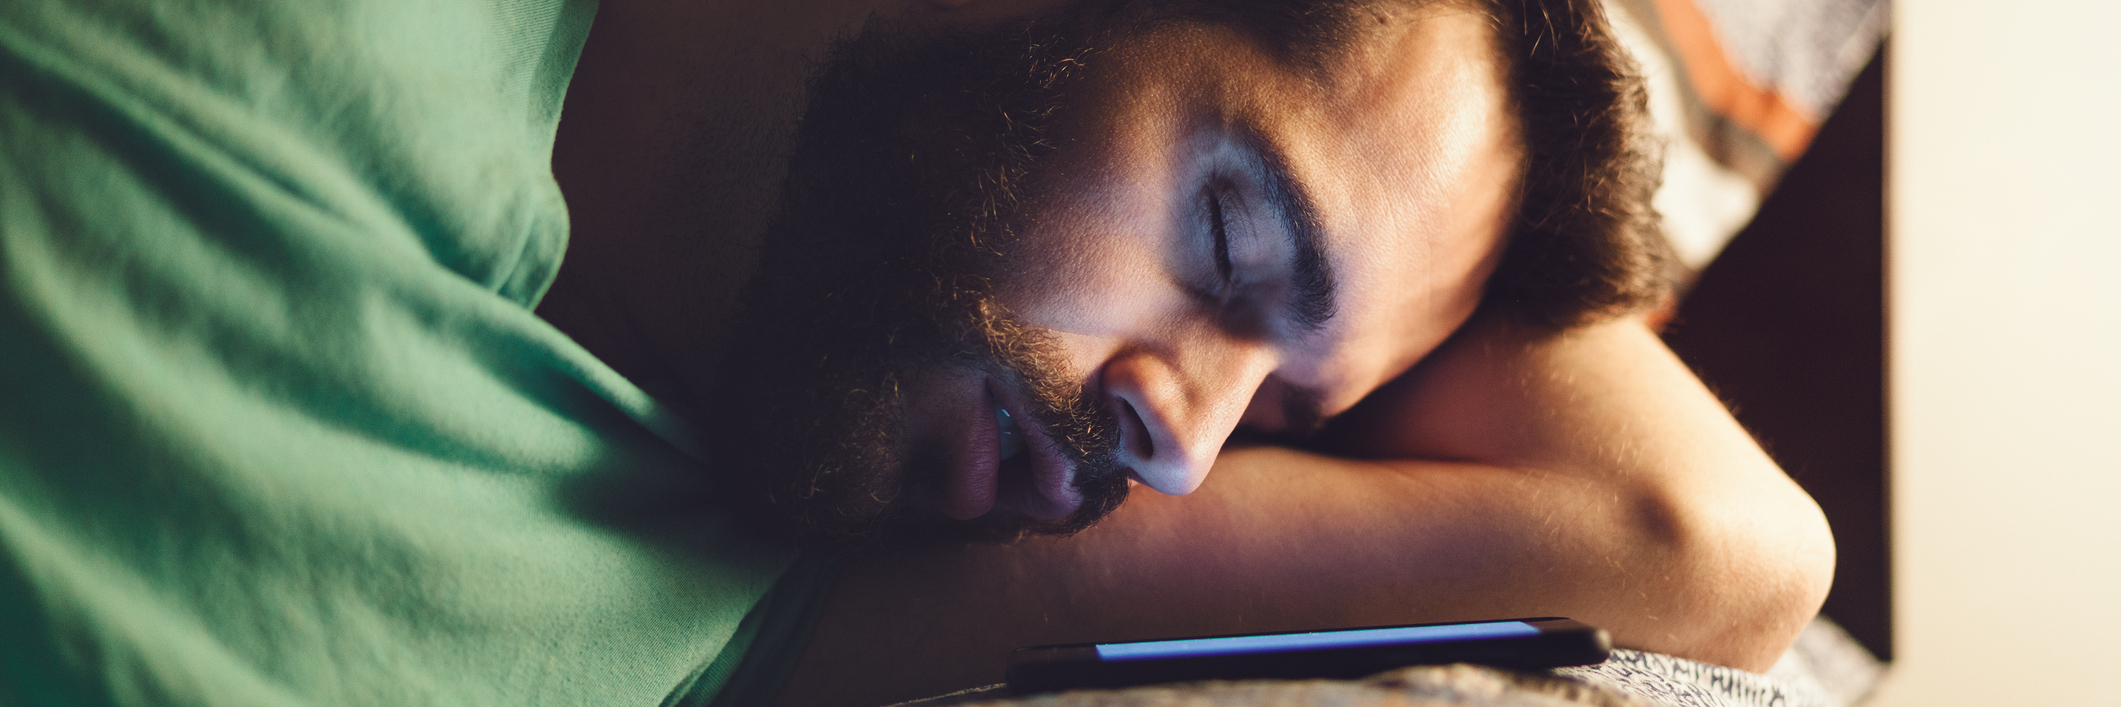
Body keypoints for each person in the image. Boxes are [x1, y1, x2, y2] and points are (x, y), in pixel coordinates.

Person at [0, 0, 1833, 705]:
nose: (1185, 448)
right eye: (1231, 239)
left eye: (1288, 404)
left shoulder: (752, 596)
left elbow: (1704, 551)